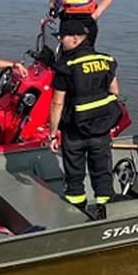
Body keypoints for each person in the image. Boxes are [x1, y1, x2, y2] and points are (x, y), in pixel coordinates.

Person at [47, 18, 122, 218]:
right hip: (101, 128)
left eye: (62, 37)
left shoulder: (65, 66)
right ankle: (104, 212)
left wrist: (52, 133)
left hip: (75, 131)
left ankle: (76, 213)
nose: (60, 41)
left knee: (75, 175)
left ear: (74, 39)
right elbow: (114, 91)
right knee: (102, 172)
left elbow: (57, 103)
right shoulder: (106, 61)